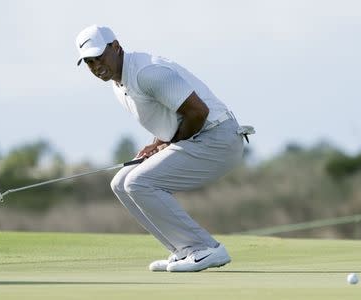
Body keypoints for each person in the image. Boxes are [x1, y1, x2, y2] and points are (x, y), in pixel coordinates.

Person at [75, 25, 253, 272]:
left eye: (99, 57)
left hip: (219, 138)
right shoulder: (119, 83)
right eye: (89, 62)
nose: (96, 67)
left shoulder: (147, 73)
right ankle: (183, 250)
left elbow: (197, 112)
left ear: (116, 47)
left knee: (139, 182)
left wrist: (169, 144)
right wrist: (157, 143)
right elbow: (172, 116)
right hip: (200, 137)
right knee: (121, 183)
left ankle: (204, 249)